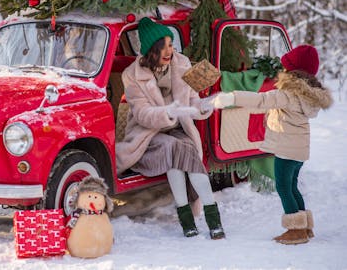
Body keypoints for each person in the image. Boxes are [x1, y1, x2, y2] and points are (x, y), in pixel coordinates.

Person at [209, 45, 333, 245]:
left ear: (293, 72)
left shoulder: (288, 94)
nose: (281, 70)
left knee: (283, 187)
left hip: (286, 149)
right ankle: (305, 227)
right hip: (299, 150)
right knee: (292, 187)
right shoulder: (307, 94)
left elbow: (261, 100)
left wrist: (231, 97)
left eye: (286, 67)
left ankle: (295, 231)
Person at [116, 17, 225, 239]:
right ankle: (207, 221)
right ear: (151, 50)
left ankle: (197, 220)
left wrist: (201, 107)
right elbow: (142, 113)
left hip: (177, 131)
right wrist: (168, 112)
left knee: (181, 149)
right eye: (163, 46)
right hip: (148, 137)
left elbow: (192, 99)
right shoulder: (132, 75)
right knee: (175, 149)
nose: (169, 50)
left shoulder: (181, 63)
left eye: (171, 44)